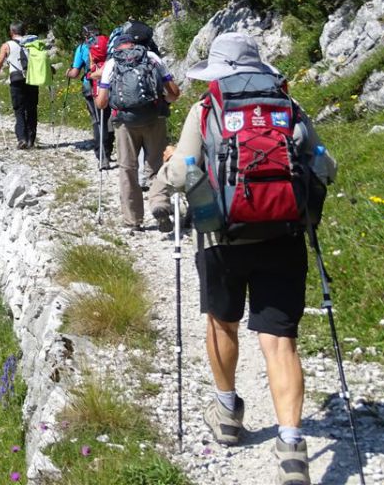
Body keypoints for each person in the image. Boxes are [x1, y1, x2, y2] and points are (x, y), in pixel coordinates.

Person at [153, 32, 333, 485]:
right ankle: (291, 445)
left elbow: (180, 174)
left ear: (218, 70)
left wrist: (174, 158)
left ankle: (228, 413)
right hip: (284, 236)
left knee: (222, 322)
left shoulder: (208, 107)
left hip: (221, 240)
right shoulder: (286, 105)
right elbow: (322, 165)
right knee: (280, 341)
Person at [94, 34, 180, 230]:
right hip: (154, 118)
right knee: (157, 167)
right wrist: (163, 102)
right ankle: (160, 204)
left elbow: (101, 102)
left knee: (127, 169)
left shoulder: (112, 63)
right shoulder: (151, 57)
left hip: (125, 123)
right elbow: (174, 94)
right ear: (135, 44)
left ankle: (133, 220)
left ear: (116, 46)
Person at [0, 22, 39, 149]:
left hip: (16, 79)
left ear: (12, 32)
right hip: (33, 78)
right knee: (32, 109)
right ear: (24, 31)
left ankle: (22, 138)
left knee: (19, 109)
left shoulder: (7, 45)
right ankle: (31, 139)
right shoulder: (33, 43)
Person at [67, 24, 113, 163]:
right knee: (109, 118)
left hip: (90, 86)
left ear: (85, 35)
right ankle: (109, 150)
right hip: (109, 84)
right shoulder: (108, 44)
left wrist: (67, 73)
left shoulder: (82, 48)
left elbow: (75, 73)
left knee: (98, 120)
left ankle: (102, 156)